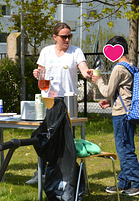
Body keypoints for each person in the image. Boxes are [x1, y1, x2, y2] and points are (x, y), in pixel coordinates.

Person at [26, 22, 93, 185]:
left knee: (68, 138)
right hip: (49, 100)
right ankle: (41, 172)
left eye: (69, 36)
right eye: (63, 36)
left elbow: (83, 68)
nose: (67, 39)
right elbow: (40, 75)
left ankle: (67, 175)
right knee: (46, 137)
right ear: (55, 37)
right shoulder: (46, 52)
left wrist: (87, 73)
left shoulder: (76, 51)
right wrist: (37, 74)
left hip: (68, 100)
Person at [90, 36, 139, 196]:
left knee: (124, 150)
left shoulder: (118, 68)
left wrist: (99, 80)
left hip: (122, 115)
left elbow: (107, 90)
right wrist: (111, 102)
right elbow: (125, 91)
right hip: (129, 112)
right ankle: (123, 183)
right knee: (126, 147)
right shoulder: (130, 65)